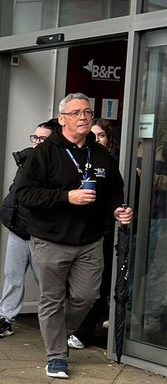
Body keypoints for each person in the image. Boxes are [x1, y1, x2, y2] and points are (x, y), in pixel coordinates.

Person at [15, 92, 131, 379]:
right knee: (51, 299)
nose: (83, 117)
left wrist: (117, 209)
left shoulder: (101, 154)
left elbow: (114, 190)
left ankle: (57, 331)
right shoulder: (44, 153)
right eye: (76, 112)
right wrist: (67, 197)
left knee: (86, 296)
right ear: (62, 119)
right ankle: (56, 355)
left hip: (90, 239)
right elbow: (25, 194)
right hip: (50, 238)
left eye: (87, 112)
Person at [0, 120, 55, 338]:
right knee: (12, 276)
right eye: (34, 137)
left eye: (42, 139)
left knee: (46, 282)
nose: (36, 142)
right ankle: (5, 319)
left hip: (41, 233)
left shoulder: (56, 166)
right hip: (18, 228)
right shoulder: (25, 159)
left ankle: (56, 325)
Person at [71, 117, 119, 347]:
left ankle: (85, 330)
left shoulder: (111, 163)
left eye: (101, 135)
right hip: (88, 231)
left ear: (109, 140)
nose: (96, 139)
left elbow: (116, 194)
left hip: (110, 231)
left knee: (100, 285)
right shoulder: (84, 160)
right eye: (93, 134)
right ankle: (81, 328)